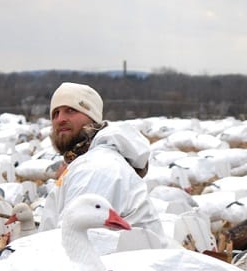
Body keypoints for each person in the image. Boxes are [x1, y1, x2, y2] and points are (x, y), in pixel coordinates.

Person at [39, 82, 164, 241]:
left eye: (70, 110)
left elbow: (73, 244)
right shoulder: (88, 161)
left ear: (92, 117)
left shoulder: (96, 168)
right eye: (55, 113)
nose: (60, 119)